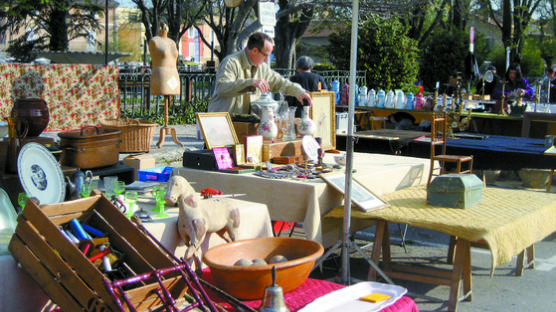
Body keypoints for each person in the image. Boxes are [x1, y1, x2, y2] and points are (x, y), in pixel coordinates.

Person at [208, 32, 312, 115]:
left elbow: (281, 83)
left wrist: (299, 92)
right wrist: (250, 83)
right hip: (222, 124)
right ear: (254, 51)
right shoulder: (231, 62)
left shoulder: (263, 68)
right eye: (266, 55)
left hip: (246, 125)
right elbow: (222, 88)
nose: (267, 59)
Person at [148, 23, 180, 96]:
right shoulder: (154, 41)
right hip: (161, 76)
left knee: (170, 99)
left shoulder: (172, 42)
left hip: (174, 76)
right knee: (164, 95)